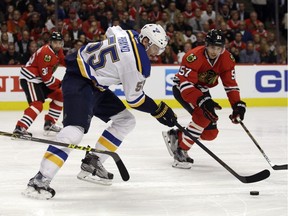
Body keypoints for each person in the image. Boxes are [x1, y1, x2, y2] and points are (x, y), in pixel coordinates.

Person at [22, 24, 177, 200]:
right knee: (74, 131)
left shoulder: (129, 34)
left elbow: (112, 29)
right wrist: (158, 110)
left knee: (126, 120)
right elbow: (135, 99)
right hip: (78, 80)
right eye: (155, 48)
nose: (156, 53)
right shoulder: (138, 63)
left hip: (94, 83)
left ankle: (93, 161)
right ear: (146, 40)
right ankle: (40, 179)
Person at [162, 29, 246, 169]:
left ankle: (178, 135)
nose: (215, 51)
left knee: (210, 133)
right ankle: (180, 150)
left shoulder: (227, 59)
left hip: (202, 90)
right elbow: (186, 85)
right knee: (202, 117)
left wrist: (237, 105)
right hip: (185, 89)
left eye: (218, 48)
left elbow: (230, 85)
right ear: (207, 45)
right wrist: (202, 101)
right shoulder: (193, 56)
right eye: (213, 47)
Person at [13, 32, 65, 137]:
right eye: (55, 42)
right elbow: (48, 80)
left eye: (60, 42)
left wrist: (78, 67)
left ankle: (49, 123)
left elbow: (65, 61)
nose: (58, 45)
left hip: (39, 80)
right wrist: (61, 83)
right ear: (50, 42)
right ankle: (20, 127)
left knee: (60, 96)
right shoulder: (46, 53)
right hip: (30, 79)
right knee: (37, 104)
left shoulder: (57, 51)